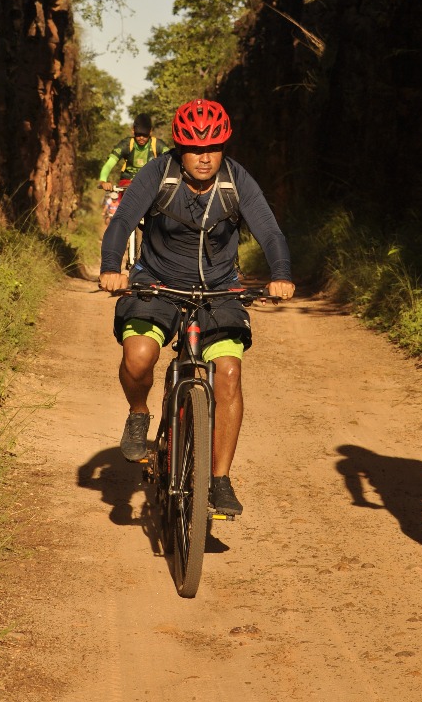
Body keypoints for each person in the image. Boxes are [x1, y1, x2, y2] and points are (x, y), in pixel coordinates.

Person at [98, 97, 295, 517]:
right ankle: (138, 413)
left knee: (228, 373)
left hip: (220, 289)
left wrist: (281, 273)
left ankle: (219, 479)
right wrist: (111, 268)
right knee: (138, 357)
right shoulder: (158, 172)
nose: (204, 158)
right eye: (194, 148)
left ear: (224, 146)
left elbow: (270, 231)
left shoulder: (236, 180)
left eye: (213, 148)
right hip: (156, 281)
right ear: (179, 147)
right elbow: (122, 222)